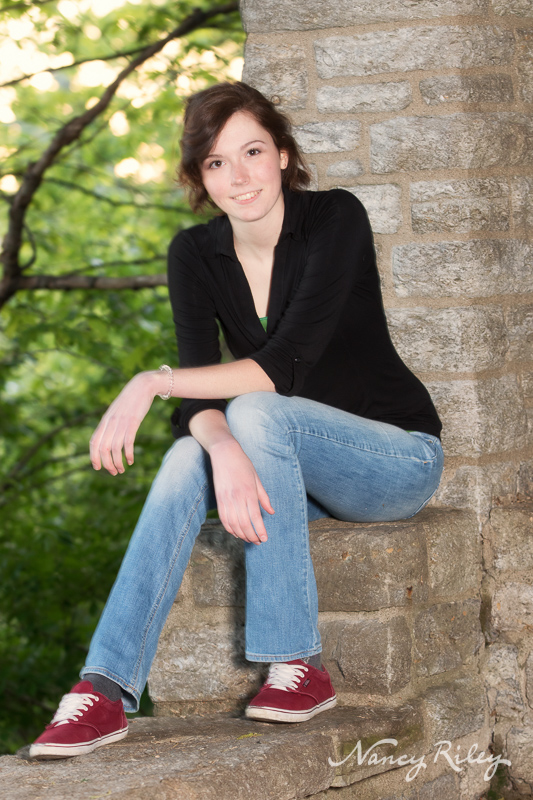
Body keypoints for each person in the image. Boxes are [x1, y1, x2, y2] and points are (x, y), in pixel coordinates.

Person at [29, 81, 443, 759]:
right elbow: (202, 404)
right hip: (294, 473)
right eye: (216, 162)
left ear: (282, 155)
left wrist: (152, 382)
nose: (239, 176)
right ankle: (103, 689)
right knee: (189, 452)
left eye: (252, 152)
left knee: (252, 409)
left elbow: (283, 366)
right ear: (200, 177)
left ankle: (297, 663)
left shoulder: (335, 218)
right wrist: (221, 449)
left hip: (394, 460)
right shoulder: (194, 253)